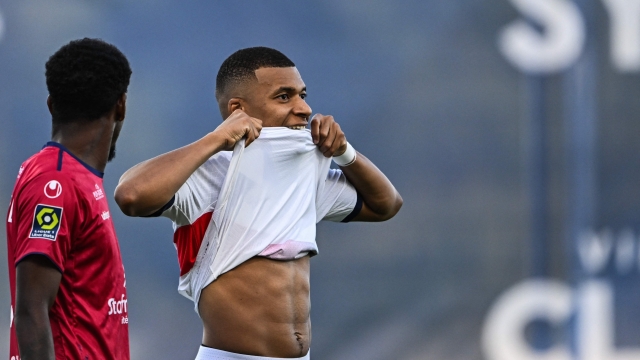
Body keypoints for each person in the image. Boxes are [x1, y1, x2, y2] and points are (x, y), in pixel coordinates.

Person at [114, 46, 402, 359]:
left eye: (302, 95)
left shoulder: (305, 175)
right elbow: (131, 194)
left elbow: (386, 205)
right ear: (238, 109)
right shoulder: (208, 175)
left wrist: (345, 152)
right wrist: (216, 138)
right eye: (284, 96)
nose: (304, 108)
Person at [6, 38, 132, 360]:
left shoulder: (74, 177)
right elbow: (32, 310)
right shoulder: (56, 184)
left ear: (51, 104)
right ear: (121, 105)